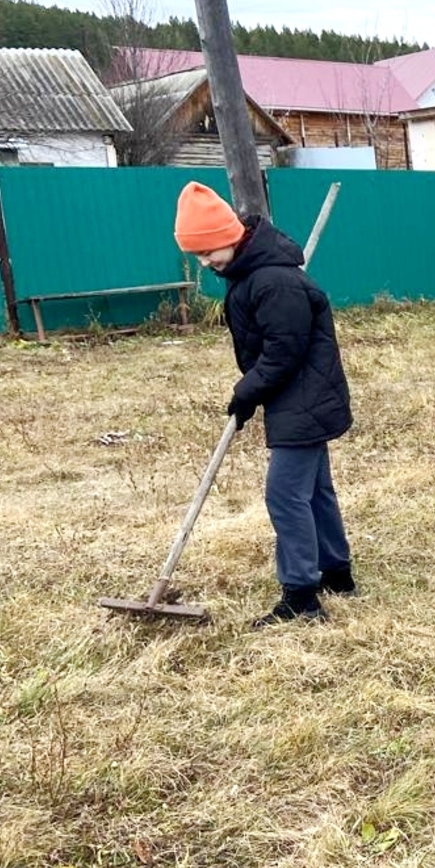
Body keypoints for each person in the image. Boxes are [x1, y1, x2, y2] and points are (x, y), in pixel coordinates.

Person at [173, 182, 356, 628]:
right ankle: (336, 573)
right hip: (298, 395)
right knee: (314, 491)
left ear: (226, 236)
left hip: (303, 398)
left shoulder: (273, 280)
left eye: (206, 251)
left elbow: (282, 352)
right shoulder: (254, 273)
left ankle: (301, 598)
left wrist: (246, 391)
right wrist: (255, 391)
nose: (204, 263)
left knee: (285, 495)